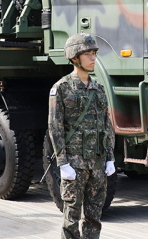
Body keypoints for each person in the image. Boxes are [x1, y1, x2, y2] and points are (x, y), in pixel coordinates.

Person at [48, 34, 115, 239]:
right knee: (71, 220)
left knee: (94, 217)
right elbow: (55, 127)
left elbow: (107, 125)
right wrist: (63, 163)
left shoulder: (99, 89)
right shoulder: (61, 88)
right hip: (74, 165)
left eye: (94, 53)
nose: (94, 58)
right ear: (75, 57)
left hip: (97, 164)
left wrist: (110, 157)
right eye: (89, 54)